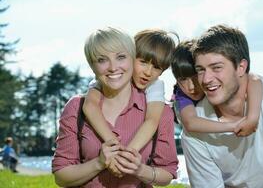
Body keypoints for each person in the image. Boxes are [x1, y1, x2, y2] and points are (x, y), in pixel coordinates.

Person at [52, 27, 178, 187]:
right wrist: (99, 163)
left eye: (120, 57)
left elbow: (167, 173)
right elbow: (61, 177)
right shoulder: (78, 105)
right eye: (102, 60)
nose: (148, 72)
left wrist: (137, 168)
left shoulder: (159, 105)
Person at [181, 24, 263, 187]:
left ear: (241, 67)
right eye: (200, 70)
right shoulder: (195, 130)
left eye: (216, 68)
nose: (206, 79)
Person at [82, 29, 177, 176]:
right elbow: (89, 106)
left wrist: (126, 157)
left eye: (157, 67)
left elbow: (152, 120)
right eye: (143, 62)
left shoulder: (155, 85)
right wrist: (114, 145)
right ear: (130, 56)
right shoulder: (110, 77)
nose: (148, 72)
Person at [171, 40, 262, 136]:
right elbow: (191, 123)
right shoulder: (182, 96)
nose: (191, 87)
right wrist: (234, 126)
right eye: (183, 80)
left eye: (195, 77)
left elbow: (254, 79)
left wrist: (252, 118)